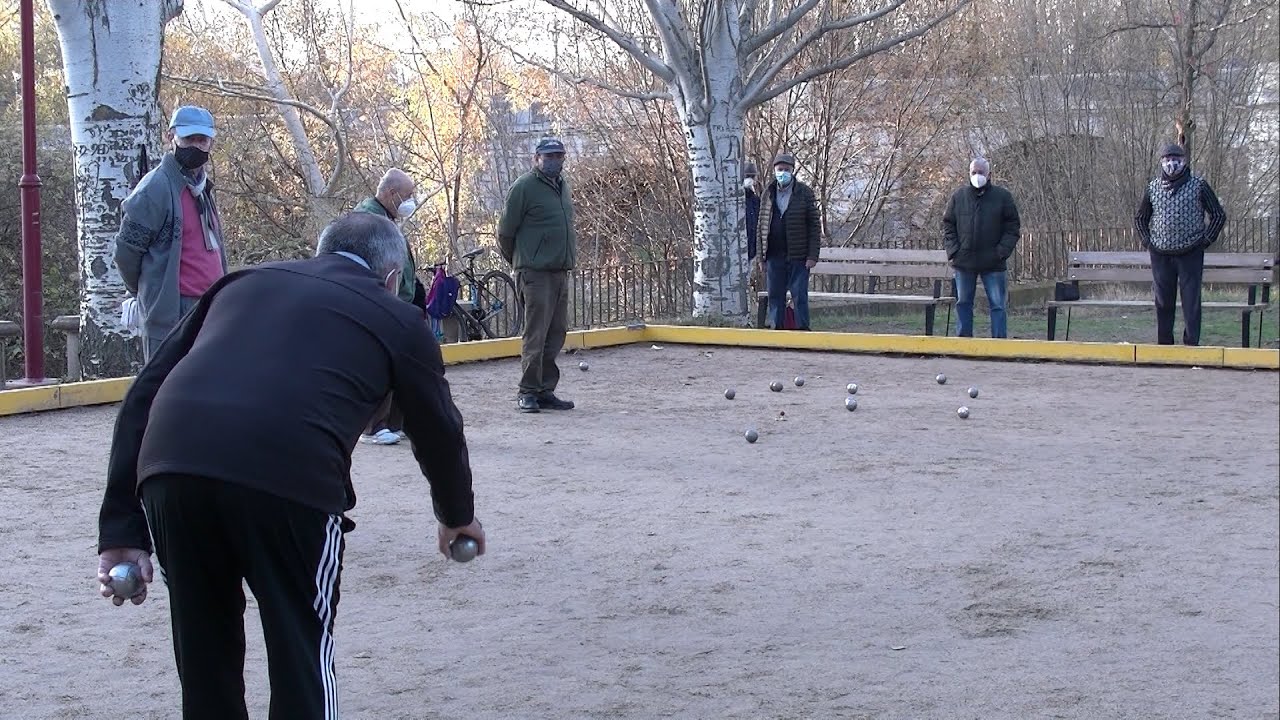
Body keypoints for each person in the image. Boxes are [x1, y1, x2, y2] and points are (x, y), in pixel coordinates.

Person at [95, 212, 484, 718]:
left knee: (204, 652)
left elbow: (143, 395)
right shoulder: (397, 316)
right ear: (391, 278)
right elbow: (438, 427)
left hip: (174, 470)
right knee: (301, 646)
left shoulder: (239, 283)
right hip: (291, 481)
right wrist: (456, 514)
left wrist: (121, 526)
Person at [114, 105, 229, 361]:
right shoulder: (154, 189)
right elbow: (126, 253)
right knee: (164, 388)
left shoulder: (201, 187)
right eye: (189, 139)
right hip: (172, 313)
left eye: (202, 140)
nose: (196, 146)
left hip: (210, 306)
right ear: (171, 137)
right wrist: (145, 293)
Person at [498, 137, 577, 413]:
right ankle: (527, 391)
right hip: (535, 273)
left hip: (559, 271)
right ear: (536, 158)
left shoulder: (562, 186)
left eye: (559, 156)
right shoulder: (524, 187)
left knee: (556, 333)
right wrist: (522, 262)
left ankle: (545, 389)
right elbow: (506, 232)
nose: (555, 161)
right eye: (549, 156)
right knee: (536, 334)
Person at [353, 168, 425, 445]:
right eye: (407, 195)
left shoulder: (385, 217)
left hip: (397, 301)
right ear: (391, 193)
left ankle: (393, 422)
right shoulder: (369, 219)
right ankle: (373, 425)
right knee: (381, 363)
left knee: (400, 364)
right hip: (380, 302)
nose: (410, 201)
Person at [1135, 142, 1228, 346]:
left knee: (1191, 302)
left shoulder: (1198, 185)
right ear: (1161, 162)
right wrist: (1147, 241)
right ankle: (1165, 345)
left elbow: (1218, 215)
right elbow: (1141, 218)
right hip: (1160, 253)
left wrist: (1206, 239)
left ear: (1184, 161)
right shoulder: (1153, 188)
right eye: (1167, 160)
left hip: (1190, 252)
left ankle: (1191, 344)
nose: (1171, 164)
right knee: (1163, 302)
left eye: (1176, 160)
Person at [942, 157, 1021, 338]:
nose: (978, 176)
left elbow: (1012, 228)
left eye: (981, 172)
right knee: (963, 303)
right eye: (974, 172)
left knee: (998, 305)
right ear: (969, 173)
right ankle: (964, 342)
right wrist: (954, 251)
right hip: (964, 261)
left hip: (993, 262)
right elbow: (948, 225)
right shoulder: (958, 196)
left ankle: (999, 343)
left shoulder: (1003, 197)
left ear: (989, 174)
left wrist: (1001, 252)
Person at [755, 152, 821, 330]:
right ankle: (777, 331)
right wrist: (761, 257)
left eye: (786, 169)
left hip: (798, 255)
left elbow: (814, 226)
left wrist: (812, 255)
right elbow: (761, 226)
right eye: (779, 169)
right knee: (775, 296)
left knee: (799, 296)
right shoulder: (768, 194)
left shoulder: (804, 193)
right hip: (774, 254)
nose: (782, 173)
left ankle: (802, 332)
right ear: (774, 170)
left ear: (792, 171)